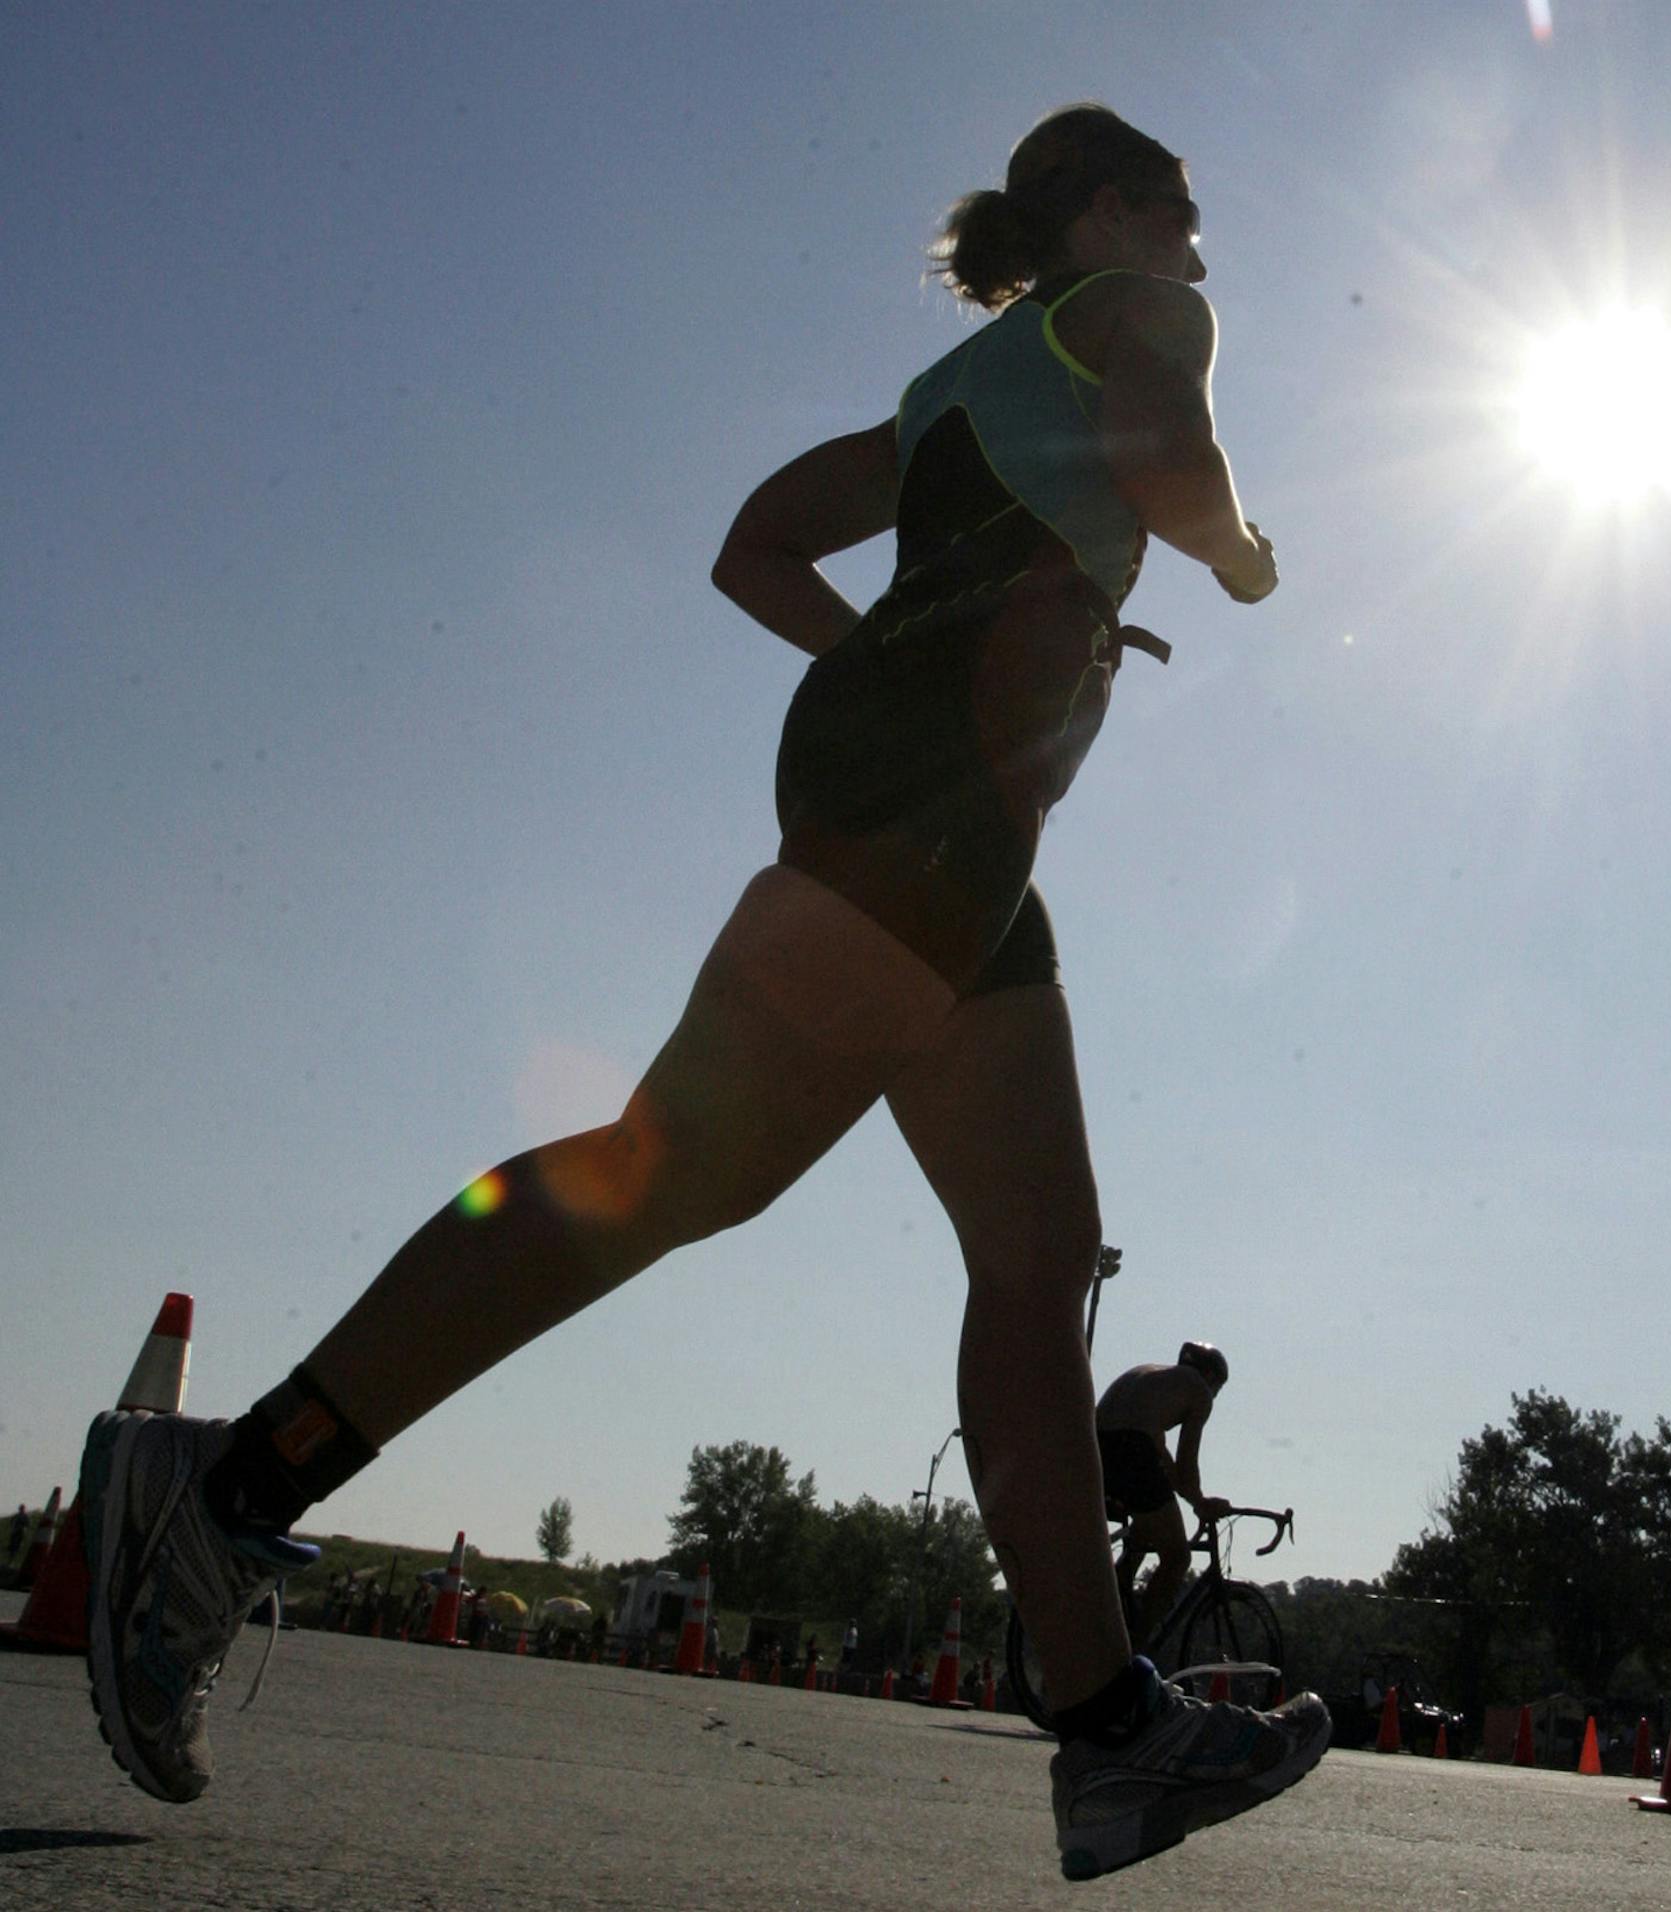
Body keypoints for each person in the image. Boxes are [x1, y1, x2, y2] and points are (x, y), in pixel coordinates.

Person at [73, 100, 1328, 1881]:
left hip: (946, 808)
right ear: (1116, 212)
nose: (1202, 253)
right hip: (933, 801)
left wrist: (897, 650)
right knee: (663, 1174)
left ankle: (1113, 1734)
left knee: (1037, 1256)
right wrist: (1245, 555)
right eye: (1182, 215)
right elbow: (1182, 468)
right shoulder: (1144, 317)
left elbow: (754, 543)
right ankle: (222, 1494)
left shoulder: (950, 390)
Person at [1094, 1341, 1234, 1648]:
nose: (1214, 1397)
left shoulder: (1152, 1380)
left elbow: (1169, 1473)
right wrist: (1201, 1505)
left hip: (1094, 1447)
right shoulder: (1198, 1390)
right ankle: (1136, 1649)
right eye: (1218, 1389)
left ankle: (1114, 1594)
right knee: (1177, 1556)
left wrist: (1195, 1500)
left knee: (1148, 1528)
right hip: (1130, 1448)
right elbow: (1186, 1463)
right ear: (1210, 1376)